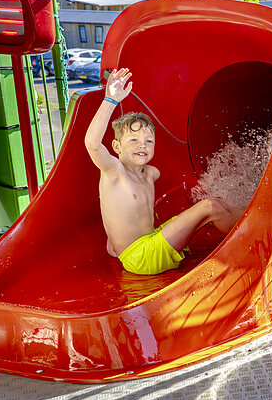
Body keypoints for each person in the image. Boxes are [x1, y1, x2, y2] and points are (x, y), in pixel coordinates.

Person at [86, 68, 237, 275]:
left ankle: (247, 214)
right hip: (142, 257)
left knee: (207, 209)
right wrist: (110, 100)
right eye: (133, 140)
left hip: (148, 242)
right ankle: (254, 231)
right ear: (116, 147)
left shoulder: (150, 173)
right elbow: (92, 144)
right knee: (211, 206)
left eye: (149, 141)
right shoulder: (114, 171)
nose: (142, 145)